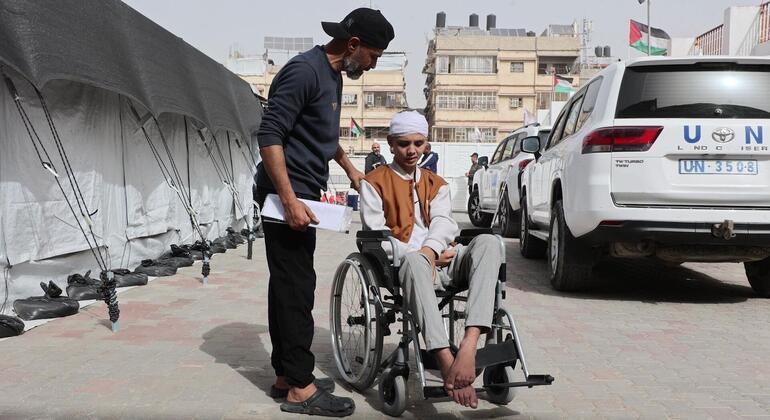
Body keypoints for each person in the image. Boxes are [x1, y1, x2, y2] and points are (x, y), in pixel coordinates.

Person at [254, 7, 394, 417]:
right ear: (353, 44)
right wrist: (289, 200)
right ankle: (301, 387)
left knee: (287, 284)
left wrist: (351, 169)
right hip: (286, 193)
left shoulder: (331, 74)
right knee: (297, 287)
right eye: (373, 56)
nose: (373, 65)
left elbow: (322, 134)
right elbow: (269, 134)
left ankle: (287, 374)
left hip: (302, 192)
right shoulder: (304, 72)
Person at [359, 111, 502, 409]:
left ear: (426, 144)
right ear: (391, 144)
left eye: (418, 143)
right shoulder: (373, 183)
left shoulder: (437, 183)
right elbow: (377, 236)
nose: (411, 150)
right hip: (404, 267)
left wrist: (432, 252)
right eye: (404, 144)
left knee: (489, 243)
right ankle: (446, 360)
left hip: (443, 257)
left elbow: (444, 223)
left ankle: (469, 346)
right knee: (414, 261)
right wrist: (424, 257)